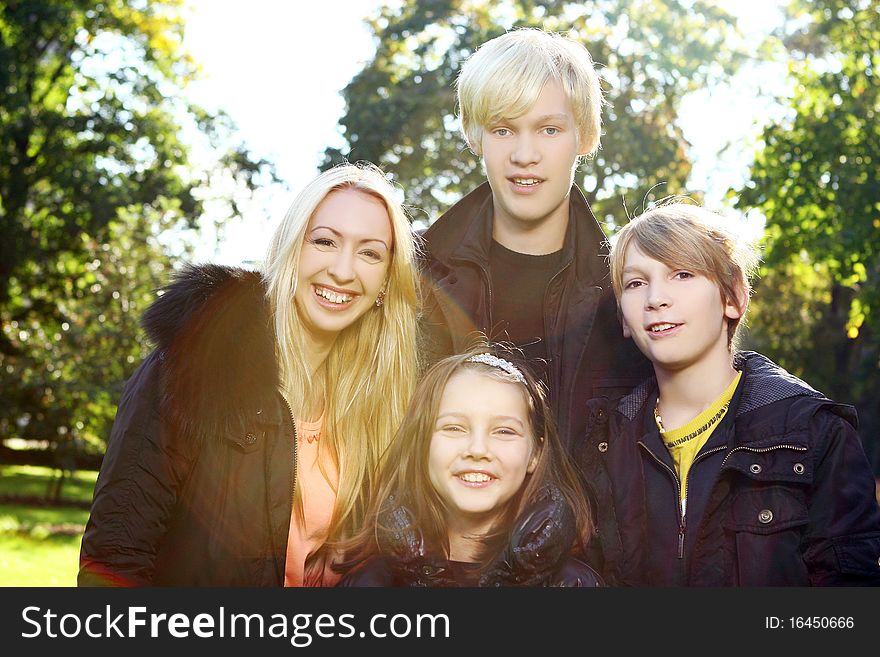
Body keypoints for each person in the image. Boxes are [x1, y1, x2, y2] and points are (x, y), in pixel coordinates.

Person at [78, 162, 420, 586]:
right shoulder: (197, 361)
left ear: (387, 279)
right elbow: (114, 557)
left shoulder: (382, 400)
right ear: (291, 248)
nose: (344, 270)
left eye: (370, 252)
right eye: (325, 242)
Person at [582, 201, 880, 586]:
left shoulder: (816, 435)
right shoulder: (602, 443)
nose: (655, 298)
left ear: (733, 297)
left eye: (682, 274)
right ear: (623, 316)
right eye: (635, 283)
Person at [417, 27, 649, 460]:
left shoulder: (628, 292)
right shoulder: (411, 275)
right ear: (475, 137)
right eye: (504, 130)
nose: (525, 154)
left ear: (583, 137)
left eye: (548, 129)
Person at [338, 344, 602, 587]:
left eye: (504, 431)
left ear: (535, 453)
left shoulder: (575, 584)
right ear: (420, 446)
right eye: (454, 427)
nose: (477, 450)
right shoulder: (368, 583)